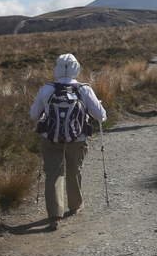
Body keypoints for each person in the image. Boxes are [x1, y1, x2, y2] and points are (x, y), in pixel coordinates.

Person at [30, 54, 106, 231]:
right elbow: (101, 116)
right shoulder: (84, 89)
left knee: (53, 174)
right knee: (74, 169)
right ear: (76, 68)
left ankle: (55, 216)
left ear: (57, 67)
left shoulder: (47, 89)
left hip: (49, 139)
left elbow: (34, 115)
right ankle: (75, 205)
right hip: (77, 139)